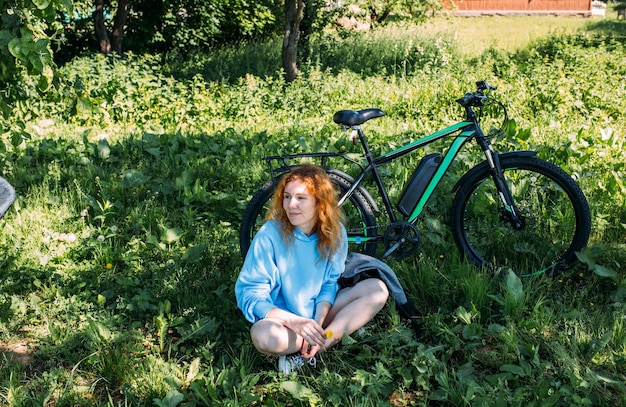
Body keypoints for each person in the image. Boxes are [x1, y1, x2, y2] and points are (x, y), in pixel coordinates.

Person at [235, 164, 389, 375]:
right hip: (283, 323)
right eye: (287, 197)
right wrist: (295, 322)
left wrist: (315, 323)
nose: (291, 205)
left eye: (301, 198)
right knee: (263, 335)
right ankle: (330, 334)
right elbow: (249, 295)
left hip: (319, 315)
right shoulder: (270, 234)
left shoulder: (335, 233)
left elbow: (329, 283)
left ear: (319, 202)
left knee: (377, 289)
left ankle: (317, 346)